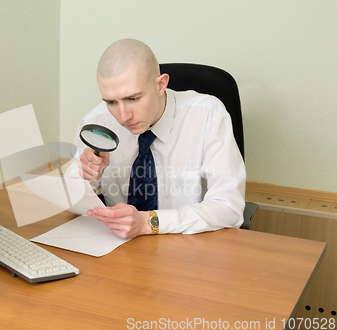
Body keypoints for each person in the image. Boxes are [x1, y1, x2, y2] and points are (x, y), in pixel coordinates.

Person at [65, 38, 246, 239]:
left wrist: (148, 222)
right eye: (111, 102)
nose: (123, 116)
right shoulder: (97, 123)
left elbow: (229, 207)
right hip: (119, 247)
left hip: (189, 244)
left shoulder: (208, 115)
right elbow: (70, 199)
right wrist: (90, 177)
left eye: (132, 99)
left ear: (161, 85)